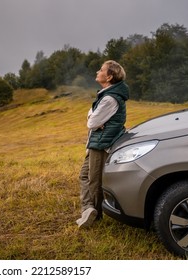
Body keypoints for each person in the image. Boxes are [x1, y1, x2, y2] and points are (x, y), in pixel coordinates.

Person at [76, 60, 129, 229]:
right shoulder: (106, 95)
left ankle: (95, 214)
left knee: (94, 181)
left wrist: (95, 120)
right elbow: (92, 118)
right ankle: (88, 209)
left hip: (100, 144)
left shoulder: (109, 99)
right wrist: (95, 119)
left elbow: (91, 122)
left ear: (109, 76)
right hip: (97, 141)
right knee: (84, 175)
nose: (97, 72)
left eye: (101, 70)